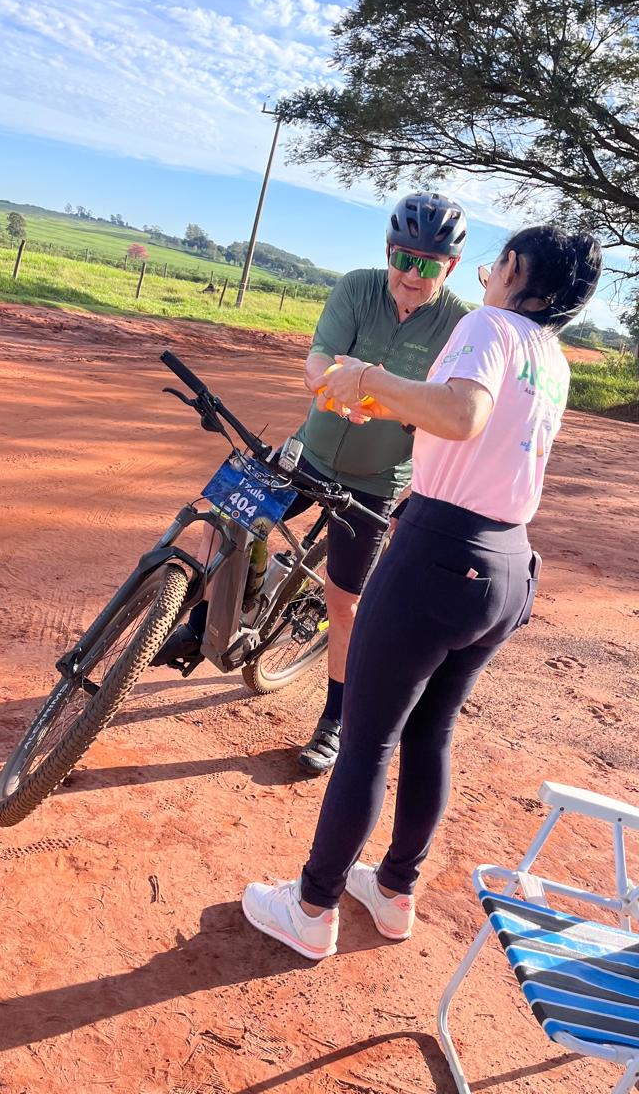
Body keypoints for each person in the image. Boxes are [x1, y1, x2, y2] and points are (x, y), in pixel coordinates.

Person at [241, 223, 602, 959]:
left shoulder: (489, 326)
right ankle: (394, 891)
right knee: (430, 733)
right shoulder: (551, 358)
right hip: (506, 565)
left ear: (512, 269)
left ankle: (312, 907)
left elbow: (463, 415)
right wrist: (388, 403)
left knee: (367, 739)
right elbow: (474, 431)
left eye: (498, 261)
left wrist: (370, 380)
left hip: (440, 552)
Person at [156, 192, 469, 774]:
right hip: (308, 453)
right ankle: (199, 625)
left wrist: (394, 415)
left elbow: (448, 410)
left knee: (344, 605)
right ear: (389, 252)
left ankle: (335, 718)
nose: (411, 276)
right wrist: (329, 387)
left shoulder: (459, 326)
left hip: (376, 482)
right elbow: (320, 357)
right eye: (403, 259)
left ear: (450, 267)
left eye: (427, 265)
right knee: (222, 520)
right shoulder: (357, 288)